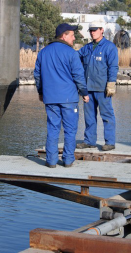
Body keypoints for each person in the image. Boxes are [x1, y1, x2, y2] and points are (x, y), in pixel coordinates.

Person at [34, 23, 89, 168]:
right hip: (68, 99)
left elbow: (38, 75)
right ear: (64, 35)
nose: (74, 37)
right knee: (70, 130)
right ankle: (68, 160)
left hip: (50, 98)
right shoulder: (71, 53)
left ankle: (51, 161)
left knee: (53, 129)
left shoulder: (43, 52)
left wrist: (40, 92)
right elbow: (78, 75)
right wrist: (84, 93)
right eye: (72, 35)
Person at [77, 21, 118, 151]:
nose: (92, 32)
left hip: (102, 88)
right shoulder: (86, 48)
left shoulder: (109, 47)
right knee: (89, 117)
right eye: (91, 30)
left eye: (95, 30)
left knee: (107, 116)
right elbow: (75, 59)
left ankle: (110, 142)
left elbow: (113, 67)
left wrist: (111, 84)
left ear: (101, 30)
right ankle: (89, 141)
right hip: (88, 89)